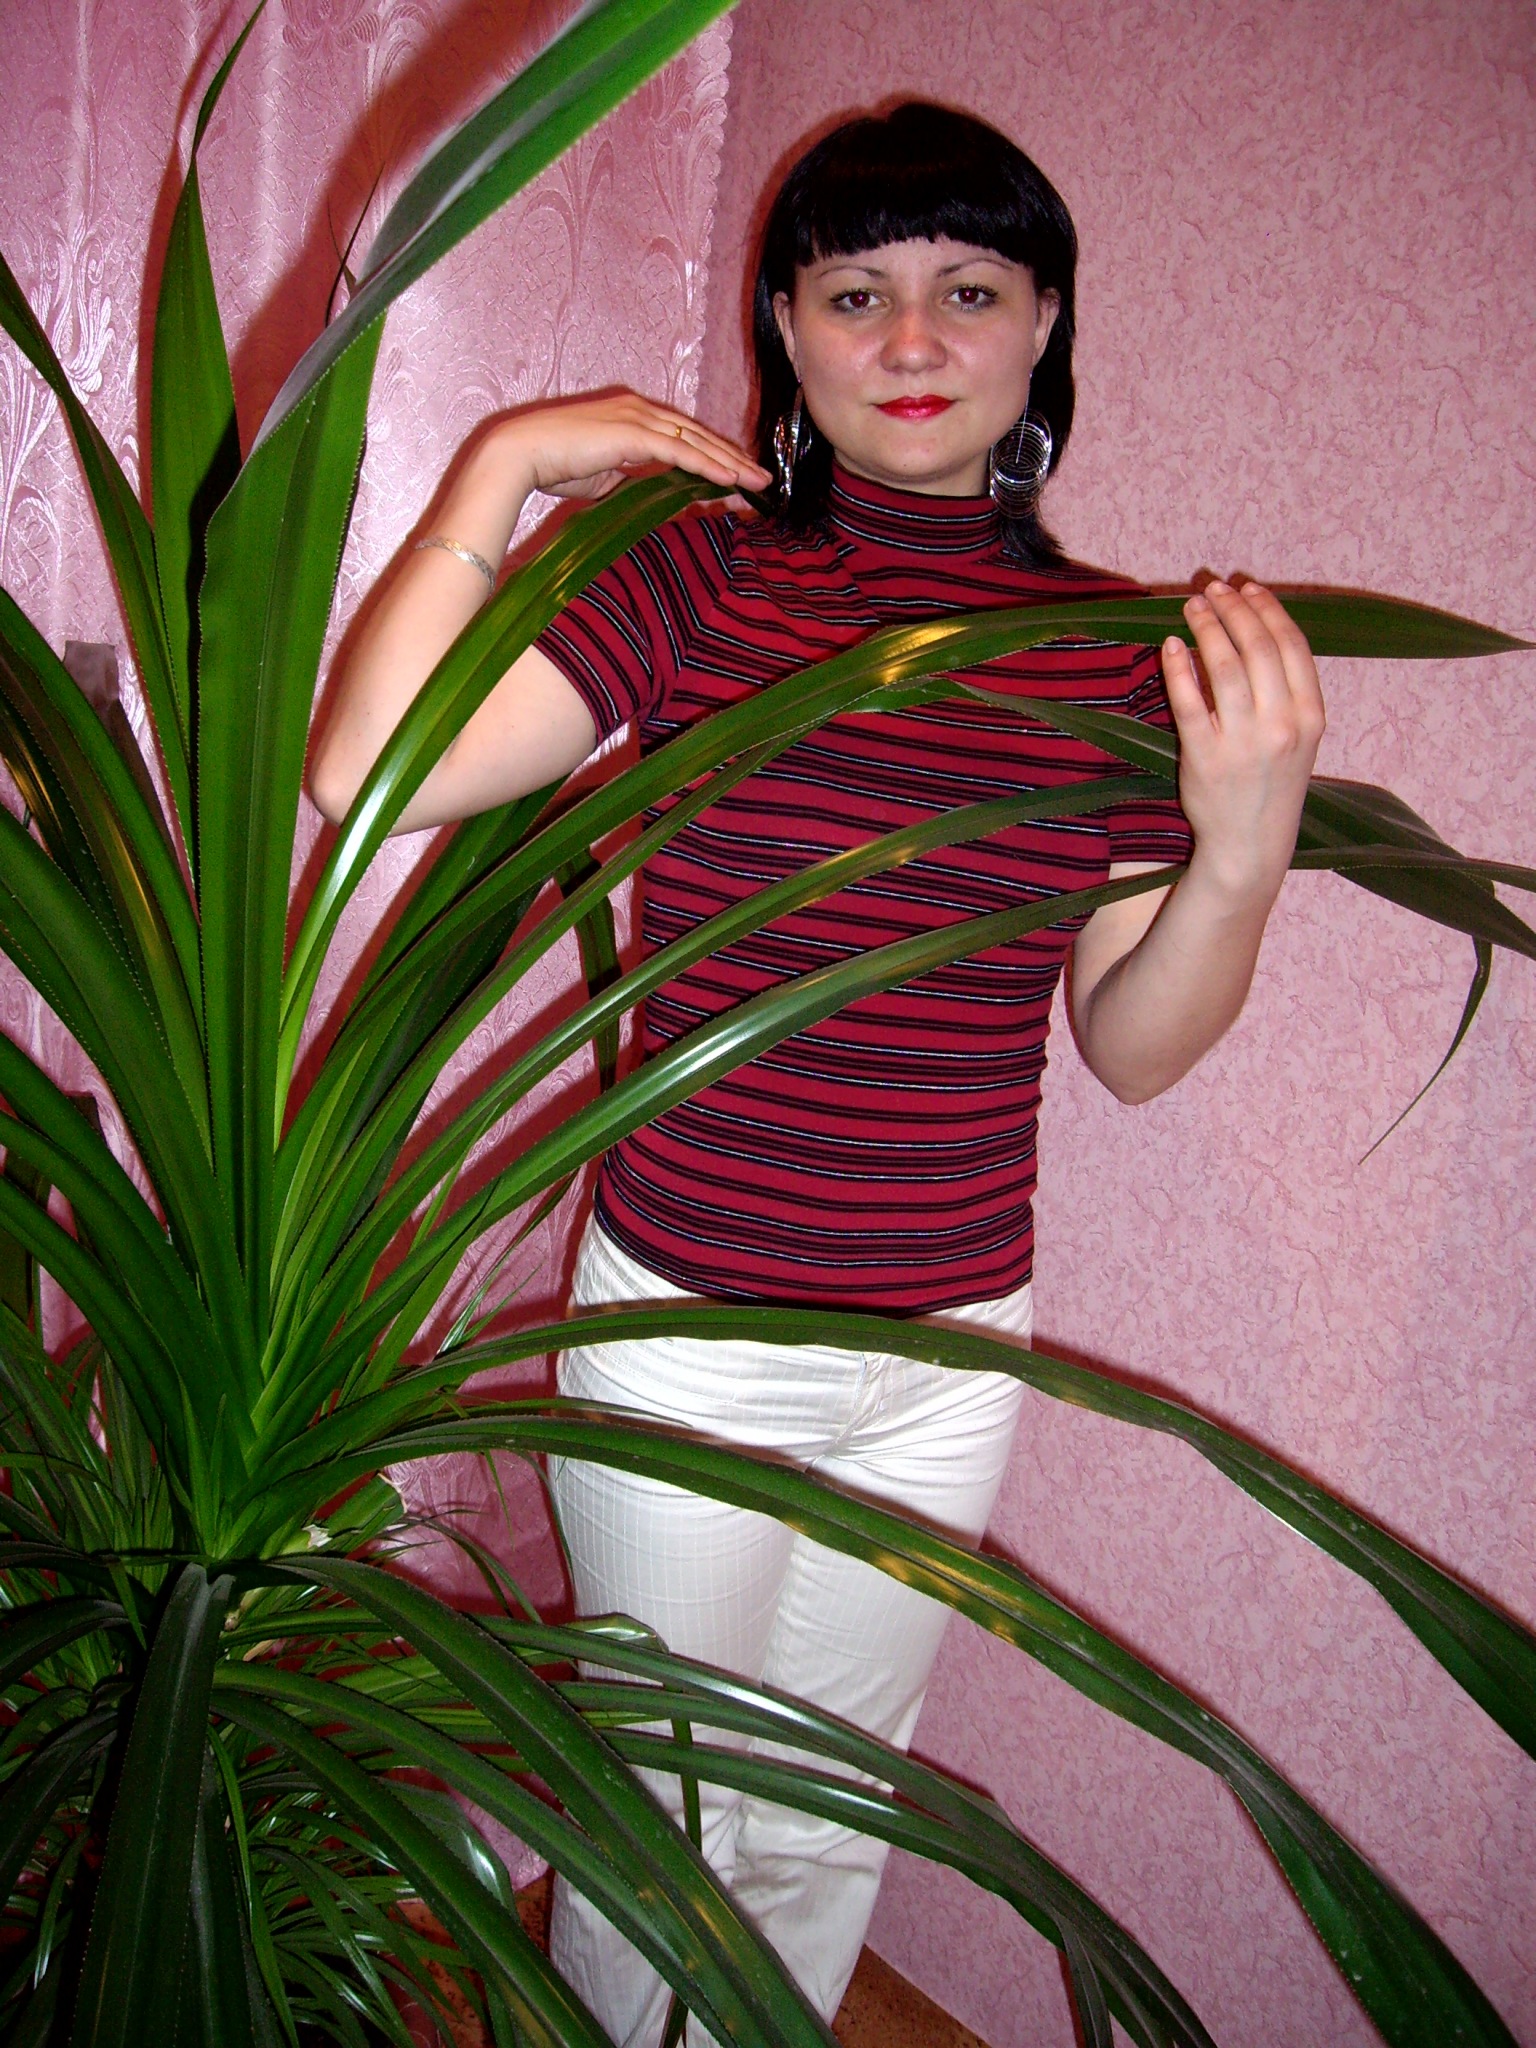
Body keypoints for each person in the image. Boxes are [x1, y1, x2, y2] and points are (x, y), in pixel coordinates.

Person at [312, 99, 1324, 2048]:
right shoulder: (701, 579)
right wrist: (503, 464)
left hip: (946, 1348)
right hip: (691, 1327)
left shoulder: (1118, 652)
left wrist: (1246, 846)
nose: (914, 341)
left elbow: (1131, 1047)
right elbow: (369, 772)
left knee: (822, 1816)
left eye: (970, 290)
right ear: (783, 329)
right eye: (855, 295)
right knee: (658, 1819)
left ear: (1047, 324)